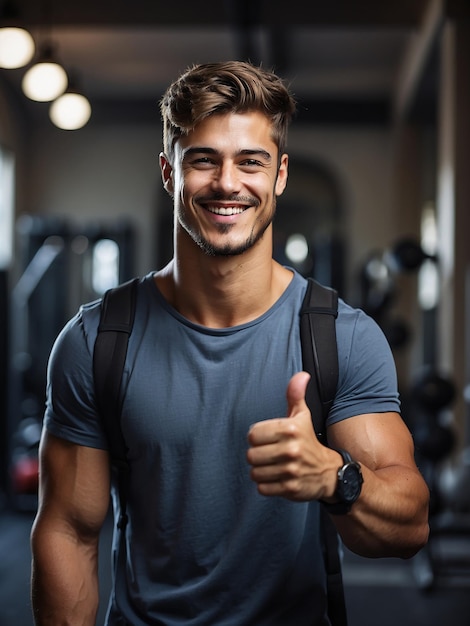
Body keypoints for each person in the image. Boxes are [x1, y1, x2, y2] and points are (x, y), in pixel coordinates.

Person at [31, 60, 429, 626]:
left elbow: (409, 526)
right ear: (169, 173)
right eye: (203, 159)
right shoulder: (96, 341)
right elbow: (69, 531)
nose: (227, 183)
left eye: (251, 162)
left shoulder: (342, 336)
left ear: (280, 175)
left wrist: (334, 477)